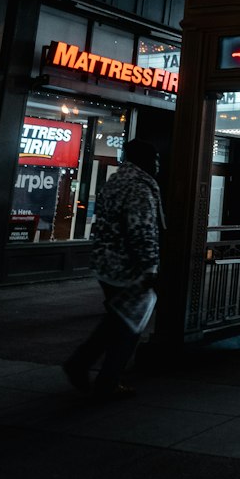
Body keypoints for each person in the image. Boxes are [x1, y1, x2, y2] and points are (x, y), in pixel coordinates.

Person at [63, 138, 164, 401]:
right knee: (129, 326)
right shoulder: (139, 187)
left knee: (119, 319)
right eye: (155, 159)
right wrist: (150, 267)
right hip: (128, 268)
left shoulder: (116, 182)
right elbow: (141, 230)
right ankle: (102, 378)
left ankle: (86, 366)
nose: (157, 165)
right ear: (144, 160)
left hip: (106, 263)